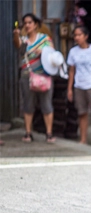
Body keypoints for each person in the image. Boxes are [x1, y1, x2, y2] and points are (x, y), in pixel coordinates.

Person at [13, 13, 56, 143]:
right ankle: (28, 133)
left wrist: (43, 52)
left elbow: (53, 54)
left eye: (30, 22)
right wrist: (16, 35)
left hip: (44, 75)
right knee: (28, 104)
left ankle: (49, 133)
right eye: (25, 23)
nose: (27, 25)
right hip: (27, 76)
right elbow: (19, 48)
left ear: (36, 24)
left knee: (46, 105)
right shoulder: (23, 39)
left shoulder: (45, 39)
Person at [67, 26, 91, 149]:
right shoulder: (73, 52)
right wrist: (70, 88)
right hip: (79, 85)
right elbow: (72, 71)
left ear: (86, 36)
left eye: (79, 35)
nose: (77, 38)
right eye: (75, 35)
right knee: (82, 113)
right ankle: (83, 139)